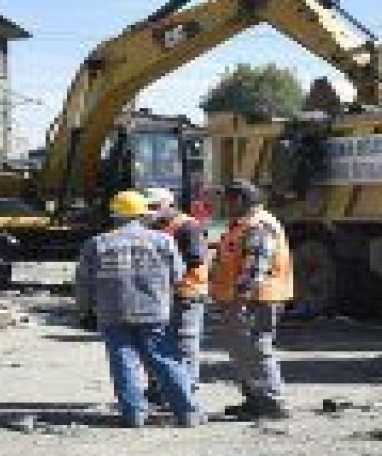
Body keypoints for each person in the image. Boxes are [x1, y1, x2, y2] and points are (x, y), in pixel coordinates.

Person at [76, 189, 201, 429]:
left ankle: (134, 415)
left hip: (113, 313)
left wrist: (84, 311)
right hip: (154, 311)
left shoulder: (97, 243)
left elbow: (83, 283)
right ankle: (187, 413)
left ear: (115, 215)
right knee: (165, 360)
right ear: (142, 215)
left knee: (124, 362)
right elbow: (178, 275)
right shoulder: (163, 240)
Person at [210, 179, 293, 420]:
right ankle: (256, 399)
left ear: (240, 200)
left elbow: (256, 267)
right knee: (244, 351)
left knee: (257, 349)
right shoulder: (244, 224)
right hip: (246, 299)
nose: (224, 205)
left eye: (228, 200)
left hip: (256, 300)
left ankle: (271, 402)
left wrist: (241, 299)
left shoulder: (259, 226)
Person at [142, 187, 208, 397]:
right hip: (161, 295)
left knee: (184, 344)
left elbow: (195, 258)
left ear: (168, 205)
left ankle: (186, 391)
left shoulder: (188, 226)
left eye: (154, 207)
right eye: (146, 208)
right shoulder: (153, 227)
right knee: (158, 343)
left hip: (186, 293)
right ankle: (160, 390)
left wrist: (163, 272)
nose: (149, 212)